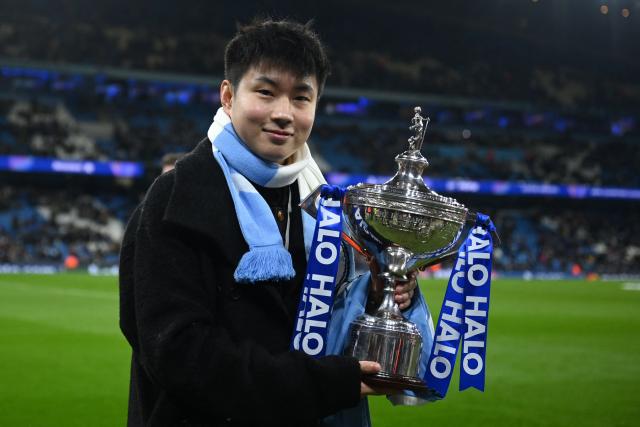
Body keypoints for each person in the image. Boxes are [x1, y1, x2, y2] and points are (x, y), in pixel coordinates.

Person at [119, 19, 417, 427]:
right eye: (265, 92)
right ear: (228, 96)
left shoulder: (321, 204)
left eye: (301, 98)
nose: (283, 114)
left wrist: (377, 297)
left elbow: (317, 323)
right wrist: (322, 385)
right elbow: (179, 355)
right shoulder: (175, 199)